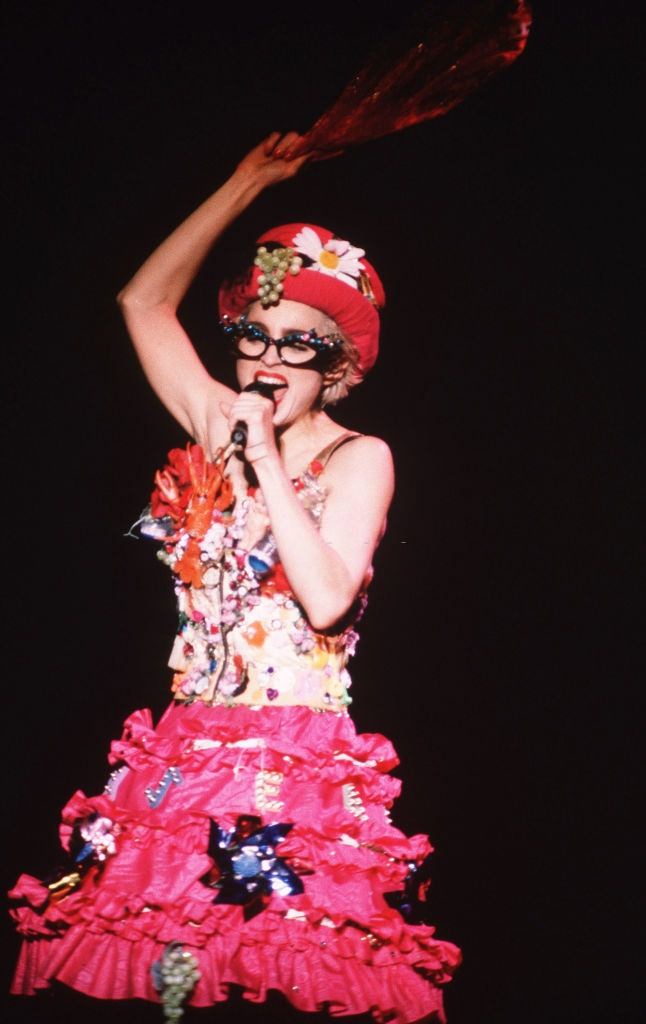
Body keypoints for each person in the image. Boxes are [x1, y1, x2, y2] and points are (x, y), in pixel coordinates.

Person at [10, 132, 460, 1022]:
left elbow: (328, 596)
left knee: (277, 978)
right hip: (183, 758)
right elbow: (142, 301)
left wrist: (261, 462)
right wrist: (246, 181)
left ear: (339, 370)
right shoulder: (220, 418)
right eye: (256, 334)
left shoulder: (358, 456)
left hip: (291, 761)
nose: (269, 357)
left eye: (301, 345)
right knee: (164, 981)